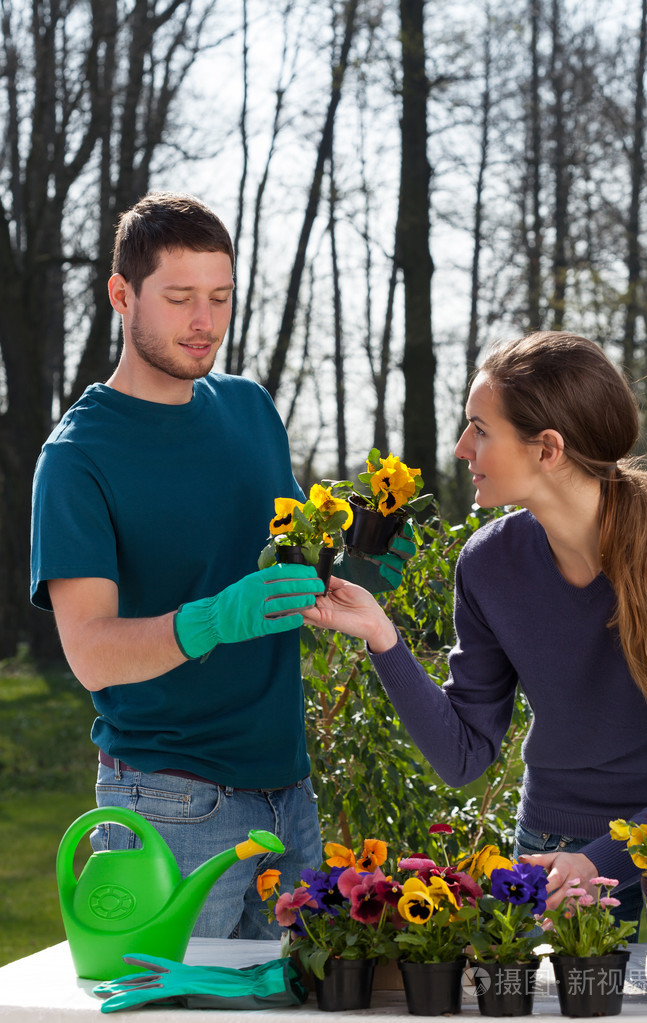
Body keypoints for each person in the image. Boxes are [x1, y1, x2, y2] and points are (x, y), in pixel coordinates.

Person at [30, 191, 412, 940]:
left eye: (219, 297)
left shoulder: (250, 409)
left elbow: (292, 571)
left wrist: (359, 566)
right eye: (179, 298)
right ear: (121, 294)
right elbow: (91, 653)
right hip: (168, 804)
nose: (204, 322)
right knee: (170, 1013)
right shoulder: (78, 459)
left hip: (288, 794)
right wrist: (210, 619)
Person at [303, 331, 647, 924]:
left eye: (480, 428)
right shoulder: (488, 563)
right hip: (547, 862)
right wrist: (384, 639)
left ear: (547, 449)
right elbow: (464, 757)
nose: (460, 448)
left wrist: (610, 854)